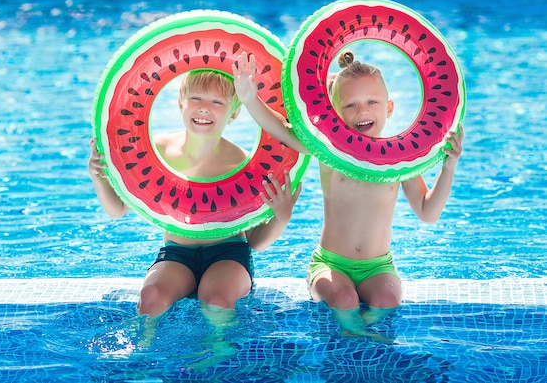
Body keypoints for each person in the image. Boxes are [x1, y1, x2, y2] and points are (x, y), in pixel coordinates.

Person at [233, 50, 464, 338]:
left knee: (387, 301)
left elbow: (428, 213)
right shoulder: (331, 150)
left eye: (372, 102)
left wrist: (449, 167)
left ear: (389, 108)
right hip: (331, 264)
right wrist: (249, 98)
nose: (362, 111)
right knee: (344, 300)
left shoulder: (399, 159)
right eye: (351, 104)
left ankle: (356, 331)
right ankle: (359, 332)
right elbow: (280, 130)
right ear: (336, 112)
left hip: (378, 266)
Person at [88, 69, 302, 322]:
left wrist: (282, 216)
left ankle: (219, 353)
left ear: (234, 113)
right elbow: (117, 210)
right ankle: (142, 353)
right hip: (177, 253)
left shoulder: (246, 164)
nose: (204, 108)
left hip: (228, 254)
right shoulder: (155, 152)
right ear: (180, 103)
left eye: (217, 102)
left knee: (217, 301)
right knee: (151, 296)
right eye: (196, 98)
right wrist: (98, 177)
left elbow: (255, 241)